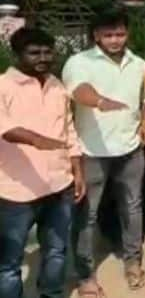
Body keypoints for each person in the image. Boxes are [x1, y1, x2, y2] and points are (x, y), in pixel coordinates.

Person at [62, 10, 145, 294]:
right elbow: (79, 91)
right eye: (108, 34)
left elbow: (142, 100)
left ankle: (133, 261)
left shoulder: (139, 64)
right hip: (92, 152)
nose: (115, 40)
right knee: (87, 215)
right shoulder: (79, 62)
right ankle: (86, 275)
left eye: (120, 33)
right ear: (96, 35)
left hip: (130, 149)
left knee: (133, 208)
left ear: (128, 33)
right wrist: (99, 101)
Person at [0, 28, 84, 298]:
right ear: (17, 54)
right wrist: (37, 139)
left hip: (59, 186)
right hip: (16, 192)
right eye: (34, 52)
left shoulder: (57, 85)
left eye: (48, 52)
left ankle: (51, 293)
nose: (43, 58)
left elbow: (69, 130)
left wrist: (77, 171)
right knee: (9, 264)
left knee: (57, 252)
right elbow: (6, 128)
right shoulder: (3, 86)